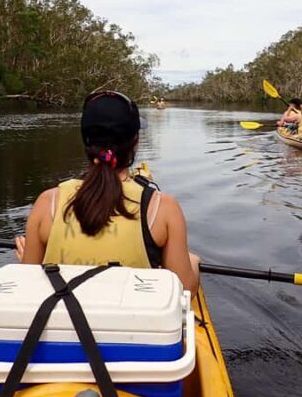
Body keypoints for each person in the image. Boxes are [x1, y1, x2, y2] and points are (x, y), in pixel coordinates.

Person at [15, 90, 200, 293]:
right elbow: (185, 290)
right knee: (191, 260)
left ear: (86, 142)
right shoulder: (163, 208)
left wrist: (29, 261)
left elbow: (28, 285)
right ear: (135, 141)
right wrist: (192, 263)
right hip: (130, 323)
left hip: (65, 321)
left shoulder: (47, 202)